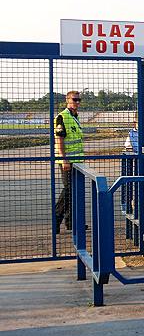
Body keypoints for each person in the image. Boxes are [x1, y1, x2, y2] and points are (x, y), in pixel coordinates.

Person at [54, 91, 84, 233]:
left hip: (78, 160)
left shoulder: (75, 116)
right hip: (67, 161)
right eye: (75, 99)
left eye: (79, 100)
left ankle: (71, 223)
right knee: (68, 190)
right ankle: (56, 219)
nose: (77, 102)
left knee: (75, 192)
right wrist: (64, 159)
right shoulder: (62, 117)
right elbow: (59, 141)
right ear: (68, 100)